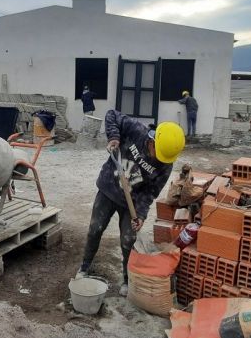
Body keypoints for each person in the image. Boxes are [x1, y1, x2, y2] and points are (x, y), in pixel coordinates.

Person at [77, 109, 186, 296]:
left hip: (132, 203)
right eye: (156, 152)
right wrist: (114, 137)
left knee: (128, 240)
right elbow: (111, 114)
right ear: (153, 140)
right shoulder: (136, 130)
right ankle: (84, 267)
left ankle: (127, 280)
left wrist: (141, 214)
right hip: (108, 189)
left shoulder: (165, 166)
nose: (157, 158)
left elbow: (150, 192)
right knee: (95, 229)